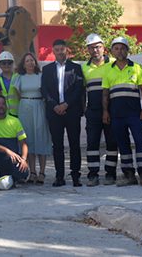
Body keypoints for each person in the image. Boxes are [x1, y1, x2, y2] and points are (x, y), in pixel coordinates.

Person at [102, 37, 142, 187]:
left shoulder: (137, 67)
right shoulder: (108, 69)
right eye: (116, 48)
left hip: (134, 114)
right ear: (112, 51)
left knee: (140, 142)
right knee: (123, 145)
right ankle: (129, 175)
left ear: (127, 50)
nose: (120, 51)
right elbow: (105, 93)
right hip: (116, 115)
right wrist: (105, 111)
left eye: (123, 48)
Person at [41, 39, 85, 187]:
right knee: (57, 145)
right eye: (57, 50)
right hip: (54, 113)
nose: (60, 52)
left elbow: (79, 89)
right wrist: (54, 105)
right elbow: (44, 90)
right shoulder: (46, 70)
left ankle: (75, 176)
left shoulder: (76, 68)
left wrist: (66, 104)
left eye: (62, 49)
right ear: (53, 51)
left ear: (66, 50)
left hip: (71, 111)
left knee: (74, 144)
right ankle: (59, 176)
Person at [82, 33, 118, 186]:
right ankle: (93, 175)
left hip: (112, 110)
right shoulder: (84, 68)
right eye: (91, 48)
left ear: (104, 47)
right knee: (92, 143)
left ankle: (110, 174)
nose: (95, 50)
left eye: (97, 47)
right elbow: (82, 91)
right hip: (93, 111)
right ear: (88, 50)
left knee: (112, 142)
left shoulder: (115, 64)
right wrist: (85, 109)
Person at [12, 52, 50, 185]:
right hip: (25, 108)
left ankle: (42, 172)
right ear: (23, 63)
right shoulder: (19, 77)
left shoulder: (41, 76)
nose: (30, 63)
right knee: (28, 139)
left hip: (39, 106)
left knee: (41, 138)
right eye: (27, 61)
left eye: (32, 60)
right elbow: (17, 93)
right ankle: (32, 172)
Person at [0, 94, 30, 191]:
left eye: (3, 104)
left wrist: (24, 159)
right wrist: (7, 150)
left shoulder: (15, 121)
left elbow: (23, 143)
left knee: (23, 173)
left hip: (11, 158)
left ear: (6, 106)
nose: (1, 106)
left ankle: (10, 179)